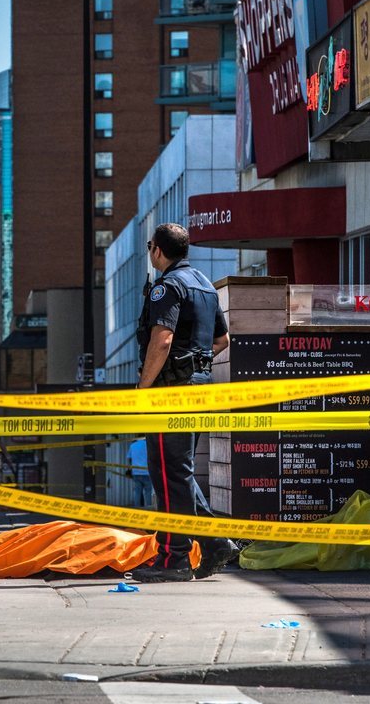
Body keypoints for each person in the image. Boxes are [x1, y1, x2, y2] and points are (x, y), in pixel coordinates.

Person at [132, 223, 239, 583]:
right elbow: (222, 340)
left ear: (158, 250)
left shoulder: (167, 286)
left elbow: (162, 341)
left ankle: (173, 558)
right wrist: (194, 364)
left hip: (171, 393)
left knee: (167, 473)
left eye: (150, 246)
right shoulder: (204, 285)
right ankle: (214, 543)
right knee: (179, 472)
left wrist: (144, 389)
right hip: (199, 389)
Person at [126, 438, 153, 509]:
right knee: (148, 492)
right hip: (147, 472)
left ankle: (137, 509)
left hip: (136, 472)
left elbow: (129, 458)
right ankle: (149, 509)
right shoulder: (148, 445)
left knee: (137, 492)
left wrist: (130, 469)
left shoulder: (132, 445)